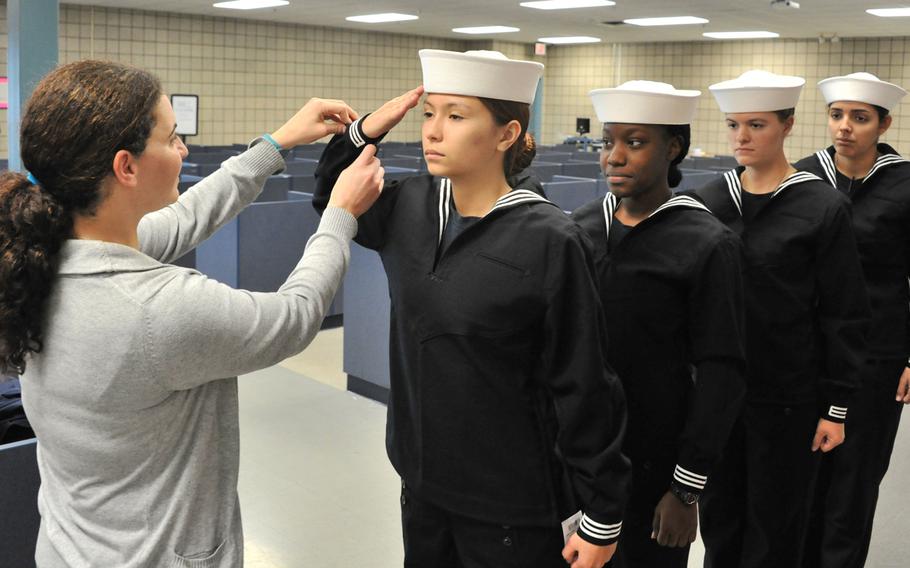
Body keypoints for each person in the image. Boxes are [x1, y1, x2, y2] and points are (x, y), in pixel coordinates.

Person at [0, 60, 383, 567]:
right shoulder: (158, 311)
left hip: (71, 549)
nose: (183, 150)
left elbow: (186, 218)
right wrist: (340, 216)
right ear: (126, 167)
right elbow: (293, 317)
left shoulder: (46, 253)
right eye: (172, 137)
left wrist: (278, 143)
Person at [313, 49, 630, 568]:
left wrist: (601, 514)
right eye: (429, 113)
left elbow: (585, 381)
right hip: (422, 485)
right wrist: (365, 129)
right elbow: (334, 197)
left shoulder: (551, 239)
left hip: (510, 505)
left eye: (456, 116)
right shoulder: (408, 207)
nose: (433, 131)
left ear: (506, 135)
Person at [694, 70, 871, 568]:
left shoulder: (820, 206)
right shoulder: (709, 202)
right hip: (720, 394)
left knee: (776, 529)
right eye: (733, 125)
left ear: (788, 126)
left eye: (757, 125)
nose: (742, 138)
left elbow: (844, 311)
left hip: (790, 394)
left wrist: (837, 405)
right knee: (720, 523)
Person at [572, 81, 746, 568]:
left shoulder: (706, 242)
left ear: (673, 147)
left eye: (635, 141)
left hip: (655, 457)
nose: (614, 157)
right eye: (609, 141)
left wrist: (686, 490)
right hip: (581, 452)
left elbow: (722, 370)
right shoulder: (582, 227)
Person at [794, 72, 910, 568]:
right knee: (803, 477)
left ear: (883, 124)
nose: (845, 128)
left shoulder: (905, 185)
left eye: (860, 118)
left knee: (856, 479)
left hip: (878, 354)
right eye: (837, 115)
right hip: (808, 351)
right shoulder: (802, 179)